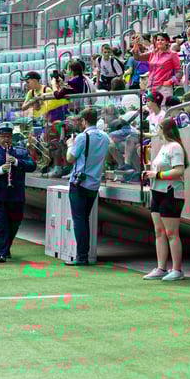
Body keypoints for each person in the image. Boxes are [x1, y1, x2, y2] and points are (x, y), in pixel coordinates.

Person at [0, 122, 37, 263]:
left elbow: (32, 165)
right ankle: (1, 253)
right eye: (3, 136)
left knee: (15, 222)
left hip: (15, 194)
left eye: (8, 136)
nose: (6, 139)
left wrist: (16, 162)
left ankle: (5, 246)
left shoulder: (20, 152)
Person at [142, 118, 189, 281]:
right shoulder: (164, 146)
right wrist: (151, 175)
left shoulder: (175, 147)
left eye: (159, 127)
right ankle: (161, 267)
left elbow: (179, 171)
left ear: (165, 129)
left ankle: (177, 269)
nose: (157, 130)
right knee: (159, 231)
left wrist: (159, 175)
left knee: (171, 232)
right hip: (157, 191)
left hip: (171, 193)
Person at [65, 108, 111, 266]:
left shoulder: (81, 137)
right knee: (84, 219)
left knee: (79, 220)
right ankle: (83, 255)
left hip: (79, 183)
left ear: (84, 121)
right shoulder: (105, 137)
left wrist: (70, 145)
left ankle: (82, 256)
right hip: (94, 184)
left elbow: (70, 158)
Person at [131, 34, 180, 100]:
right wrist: (136, 45)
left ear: (167, 42)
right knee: (151, 109)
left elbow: (179, 72)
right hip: (151, 86)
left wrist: (170, 81)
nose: (159, 41)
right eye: (158, 40)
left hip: (164, 88)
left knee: (164, 108)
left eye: (162, 40)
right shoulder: (153, 53)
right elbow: (137, 57)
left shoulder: (172, 54)